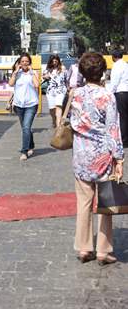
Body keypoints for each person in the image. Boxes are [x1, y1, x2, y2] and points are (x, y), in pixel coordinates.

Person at [70, 52, 124, 265]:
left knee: (83, 204)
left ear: (82, 72)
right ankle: (103, 250)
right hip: (102, 155)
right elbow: (113, 128)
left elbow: (73, 123)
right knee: (106, 204)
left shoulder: (75, 95)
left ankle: (83, 248)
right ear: (102, 72)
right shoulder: (107, 96)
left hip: (81, 154)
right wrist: (119, 158)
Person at [8, 53, 39, 161]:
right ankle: (31, 145)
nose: (25, 63)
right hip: (19, 105)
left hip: (31, 104)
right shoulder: (17, 73)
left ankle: (24, 151)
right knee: (26, 128)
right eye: (22, 61)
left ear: (30, 63)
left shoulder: (33, 73)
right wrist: (15, 72)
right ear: (19, 63)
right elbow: (10, 84)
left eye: (27, 61)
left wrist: (32, 72)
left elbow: (36, 85)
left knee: (26, 127)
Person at [42, 54, 67, 128]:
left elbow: (66, 78)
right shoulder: (48, 69)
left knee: (59, 106)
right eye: (53, 60)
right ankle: (54, 119)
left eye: (56, 60)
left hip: (60, 90)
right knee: (52, 109)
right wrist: (45, 76)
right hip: (51, 91)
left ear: (58, 61)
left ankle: (58, 125)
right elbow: (43, 77)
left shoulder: (62, 68)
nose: (54, 61)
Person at [110, 50, 128, 147]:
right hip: (127, 91)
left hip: (120, 93)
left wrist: (110, 93)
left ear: (113, 57)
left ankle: (124, 140)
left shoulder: (116, 66)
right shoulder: (125, 64)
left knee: (122, 117)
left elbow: (115, 81)